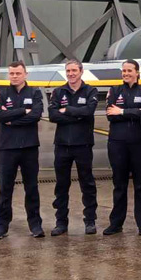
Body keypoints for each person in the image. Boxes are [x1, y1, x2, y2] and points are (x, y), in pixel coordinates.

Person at [0, 61, 45, 240]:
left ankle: (35, 225)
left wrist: (12, 119)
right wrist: (23, 111)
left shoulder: (35, 93)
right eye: (12, 73)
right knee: (5, 188)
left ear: (25, 74)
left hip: (29, 148)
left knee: (32, 187)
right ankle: (1, 226)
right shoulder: (1, 93)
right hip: (8, 148)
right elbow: (0, 115)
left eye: (18, 73)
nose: (14, 76)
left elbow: (35, 116)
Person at [46, 59, 100, 236]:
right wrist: (76, 114)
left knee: (87, 183)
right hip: (62, 146)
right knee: (61, 185)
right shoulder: (58, 91)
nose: (71, 74)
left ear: (81, 71)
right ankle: (61, 222)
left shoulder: (91, 90)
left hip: (83, 144)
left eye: (74, 70)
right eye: (68, 71)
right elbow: (53, 116)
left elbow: (88, 112)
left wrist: (66, 110)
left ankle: (90, 221)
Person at [103, 59, 141, 236]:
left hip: (140, 144)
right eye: (123, 71)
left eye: (129, 70)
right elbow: (110, 114)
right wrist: (134, 112)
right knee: (119, 184)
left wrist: (123, 111)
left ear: (137, 72)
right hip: (118, 144)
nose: (126, 74)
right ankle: (116, 223)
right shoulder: (114, 90)